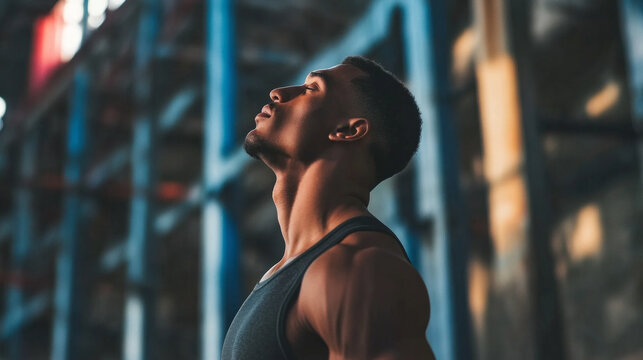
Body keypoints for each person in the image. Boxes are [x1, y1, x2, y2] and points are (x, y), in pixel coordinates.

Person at [222, 56, 435, 360]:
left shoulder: (360, 268)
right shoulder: (287, 271)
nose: (278, 93)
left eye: (311, 89)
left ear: (348, 131)